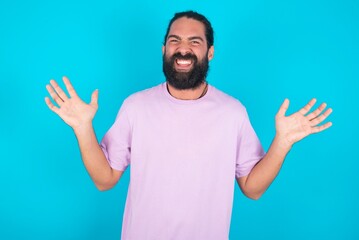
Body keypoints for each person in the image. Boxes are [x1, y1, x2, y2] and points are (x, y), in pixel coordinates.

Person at [44, 10, 332, 240]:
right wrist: (83, 128)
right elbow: (105, 179)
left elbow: (252, 188)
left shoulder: (233, 112)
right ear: (164, 49)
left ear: (210, 52)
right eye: (174, 40)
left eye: (195, 42)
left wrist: (281, 143)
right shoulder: (136, 106)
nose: (183, 49)